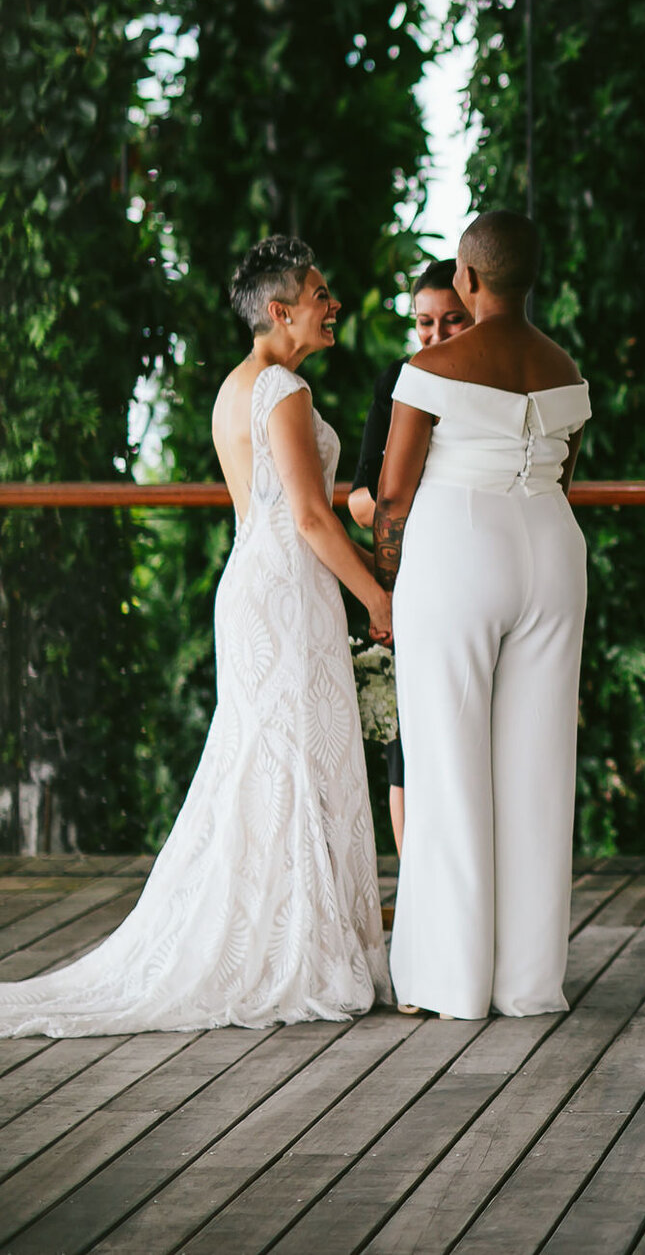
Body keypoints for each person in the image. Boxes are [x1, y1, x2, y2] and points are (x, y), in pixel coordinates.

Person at [0, 238, 391, 1036]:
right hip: (285, 590)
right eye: (320, 291)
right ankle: (296, 947)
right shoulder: (282, 387)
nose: (333, 301)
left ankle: (289, 934)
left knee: (271, 757)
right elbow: (313, 518)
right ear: (280, 310)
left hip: (259, 581)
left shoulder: (236, 387)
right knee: (288, 754)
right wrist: (380, 600)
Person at [375, 211, 591, 1019]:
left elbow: (393, 493)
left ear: (468, 278)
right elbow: (567, 471)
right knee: (538, 770)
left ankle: (450, 981)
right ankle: (528, 982)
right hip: (552, 547)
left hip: (459, 547)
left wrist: (388, 583)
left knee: (447, 763)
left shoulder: (433, 368)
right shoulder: (564, 367)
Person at [349, 256, 474, 854]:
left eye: (452, 320)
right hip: (416, 572)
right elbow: (362, 501)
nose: (436, 336)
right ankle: (416, 873)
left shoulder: (492, 378)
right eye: (425, 323)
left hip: (478, 574)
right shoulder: (395, 382)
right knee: (410, 736)